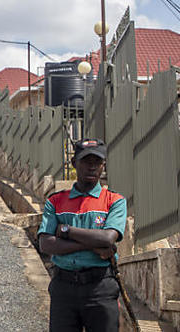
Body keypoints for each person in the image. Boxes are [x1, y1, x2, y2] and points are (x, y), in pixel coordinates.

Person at [37, 139, 127, 332]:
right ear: (74, 163)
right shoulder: (56, 201)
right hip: (63, 288)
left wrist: (66, 231)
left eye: (97, 161)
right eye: (86, 161)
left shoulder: (114, 201)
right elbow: (46, 244)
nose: (92, 167)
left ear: (104, 165)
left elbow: (107, 239)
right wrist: (92, 245)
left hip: (101, 288)